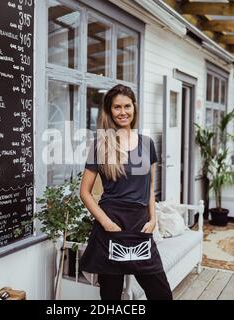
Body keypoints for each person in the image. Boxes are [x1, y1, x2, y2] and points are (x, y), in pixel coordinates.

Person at [79, 84, 173, 300]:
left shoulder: (147, 144)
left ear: (134, 108)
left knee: (161, 294)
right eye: (117, 107)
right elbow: (84, 192)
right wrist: (106, 223)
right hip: (111, 226)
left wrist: (153, 219)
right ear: (109, 111)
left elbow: (149, 187)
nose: (123, 112)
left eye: (127, 106)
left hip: (140, 226)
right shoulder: (100, 145)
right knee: (111, 296)